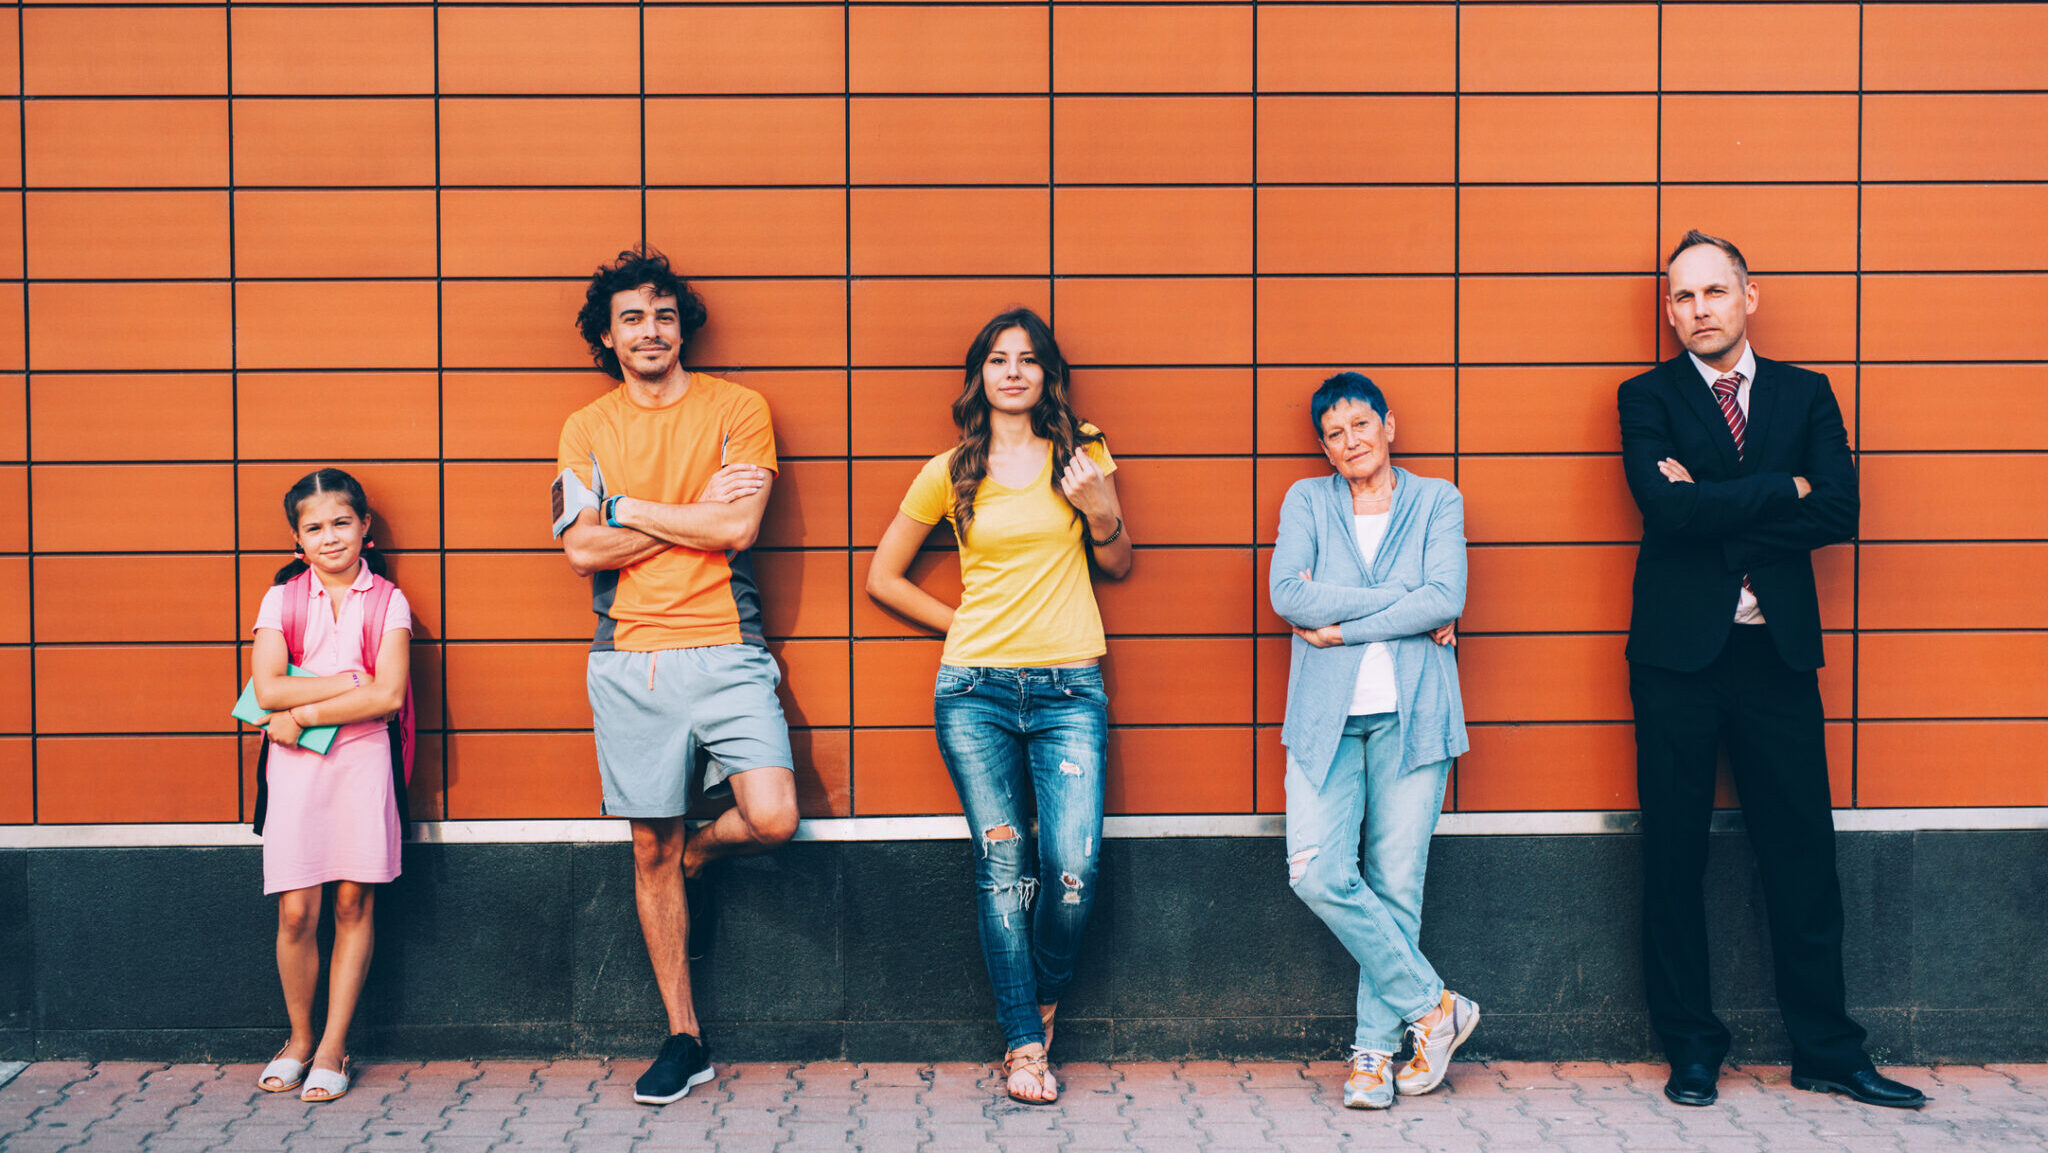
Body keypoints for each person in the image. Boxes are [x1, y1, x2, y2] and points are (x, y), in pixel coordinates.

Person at [1619, 231, 1923, 1109]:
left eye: (1714, 292)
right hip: (1676, 660)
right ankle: (1691, 1048)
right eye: (1682, 297)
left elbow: (1839, 508)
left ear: (1750, 296)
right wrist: (1777, 490)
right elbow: (1663, 509)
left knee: (1803, 857)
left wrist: (1717, 505)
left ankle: (1827, 1048)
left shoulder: (1806, 393)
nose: (1698, 310)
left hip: (1778, 656)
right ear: (1669, 308)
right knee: (1674, 859)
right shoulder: (1644, 397)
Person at [864, 308, 1132, 1105]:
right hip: (974, 691)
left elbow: (1118, 560)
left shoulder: (1082, 456)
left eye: (1028, 360)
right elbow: (884, 575)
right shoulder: (949, 469)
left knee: (1072, 868)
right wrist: (969, 627)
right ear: (979, 374)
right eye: (997, 359)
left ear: (1047, 374)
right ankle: (1023, 1042)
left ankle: (1041, 993)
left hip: (1069, 689)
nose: (1013, 371)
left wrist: (1101, 509)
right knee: (1004, 868)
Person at [553, 247, 800, 1105]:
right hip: (629, 657)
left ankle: (706, 847)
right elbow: (580, 548)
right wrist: (693, 515)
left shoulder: (739, 408)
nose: (649, 330)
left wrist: (623, 505)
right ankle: (684, 1035)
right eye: (631, 317)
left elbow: (740, 530)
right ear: (607, 336)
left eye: (662, 314)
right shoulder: (586, 428)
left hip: (728, 647)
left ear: (680, 324)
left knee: (771, 815)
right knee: (648, 844)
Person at [1269, 373, 1475, 1109]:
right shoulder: (1307, 501)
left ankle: (1371, 1056)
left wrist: (1344, 625)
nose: (1350, 441)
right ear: (1323, 445)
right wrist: (1406, 601)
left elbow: (1447, 597)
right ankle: (1434, 1006)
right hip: (1326, 719)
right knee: (1316, 871)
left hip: (1413, 718)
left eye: (1361, 424)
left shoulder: (1437, 499)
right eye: (1334, 432)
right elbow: (1287, 594)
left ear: (1389, 424)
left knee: (1395, 889)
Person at [250, 468, 414, 1104]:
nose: (330, 537)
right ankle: (297, 1038)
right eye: (314, 527)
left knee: (352, 904)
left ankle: (331, 1047)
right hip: (294, 770)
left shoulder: (389, 601)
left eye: (341, 522)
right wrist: (349, 682)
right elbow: (267, 689)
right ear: (297, 540)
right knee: (296, 910)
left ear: (365, 527)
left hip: (363, 763)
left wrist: (304, 711)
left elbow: (391, 694)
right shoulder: (282, 600)